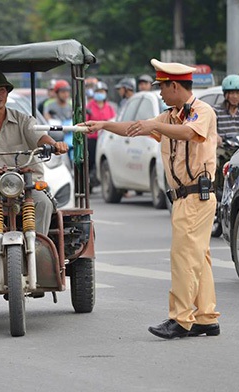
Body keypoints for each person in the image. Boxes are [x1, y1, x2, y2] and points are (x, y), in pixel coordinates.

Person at [83, 59, 220, 340]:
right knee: (199, 257)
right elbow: (134, 127)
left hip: (196, 195)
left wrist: (152, 125)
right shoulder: (169, 116)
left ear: (174, 86)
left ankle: (180, 320)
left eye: (162, 88)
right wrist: (104, 124)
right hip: (183, 198)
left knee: (184, 258)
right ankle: (206, 317)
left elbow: (188, 133)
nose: (159, 93)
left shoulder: (201, 112)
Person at [0, 71, 68, 251]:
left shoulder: (24, 120)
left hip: (25, 184)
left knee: (44, 203)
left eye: (1, 90)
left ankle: (38, 251)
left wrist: (54, 145)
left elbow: (40, 137)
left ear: (7, 93)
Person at [85, 81, 116, 187]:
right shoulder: (89, 106)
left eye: (102, 91)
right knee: (91, 161)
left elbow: (113, 121)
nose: (100, 93)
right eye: (98, 91)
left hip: (106, 139)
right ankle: (88, 184)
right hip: (93, 139)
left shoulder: (109, 107)